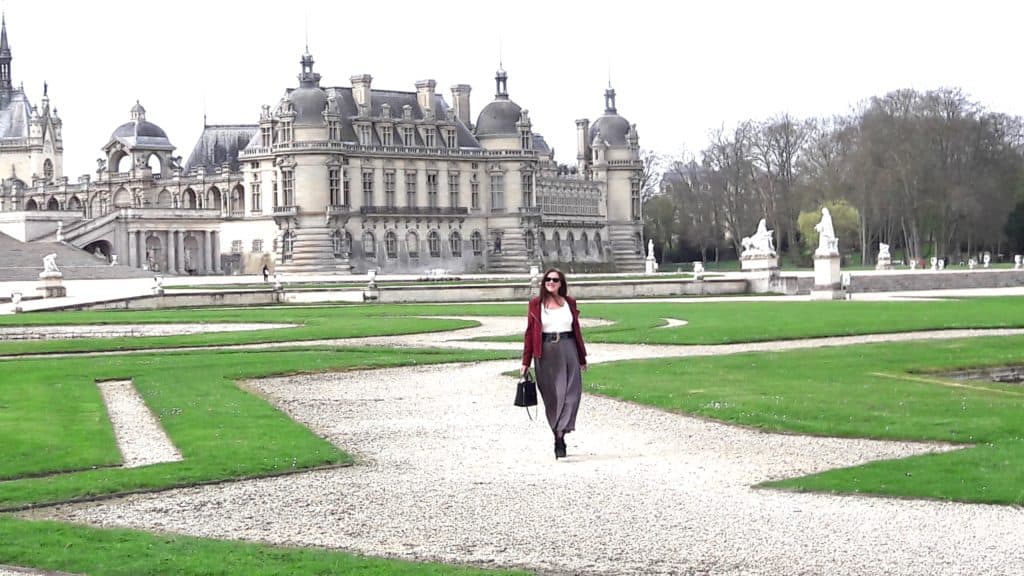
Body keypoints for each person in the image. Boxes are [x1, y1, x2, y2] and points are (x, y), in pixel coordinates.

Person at [520, 267, 588, 459]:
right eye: (548, 280)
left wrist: (582, 357)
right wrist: (525, 361)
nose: (551, 282)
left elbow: (577, 332)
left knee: (572, 395)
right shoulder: (535, 305)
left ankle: (560, 432)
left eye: (555, 280)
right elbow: (529, 334)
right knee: (552, 397)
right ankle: (558, 435)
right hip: (545, 353)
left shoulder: (569, 303)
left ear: (561, 283)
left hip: (568, 349)